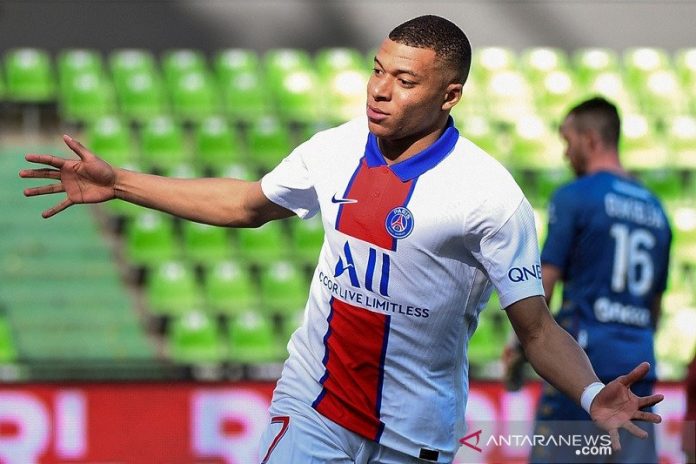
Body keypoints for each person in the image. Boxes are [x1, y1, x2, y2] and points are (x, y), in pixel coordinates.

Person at [20, 16, 664, 464]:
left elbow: (537, 330)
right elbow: (246, 204)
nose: (381, 90)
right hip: (315, 405)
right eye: (377, 70)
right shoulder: (333, 149)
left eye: (405, 81)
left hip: (416, 432)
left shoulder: (491, 198)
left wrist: (587, 392)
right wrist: (121, 181)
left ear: (451, 95)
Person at [502, 97, 672, 463]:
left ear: (591, 139)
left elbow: (541, 286)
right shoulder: (656, 209)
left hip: (582, 374)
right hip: (638, 368)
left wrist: (518, 351)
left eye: (568, 141)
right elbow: (655, 304)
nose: (566, 154)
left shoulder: (575, 197)